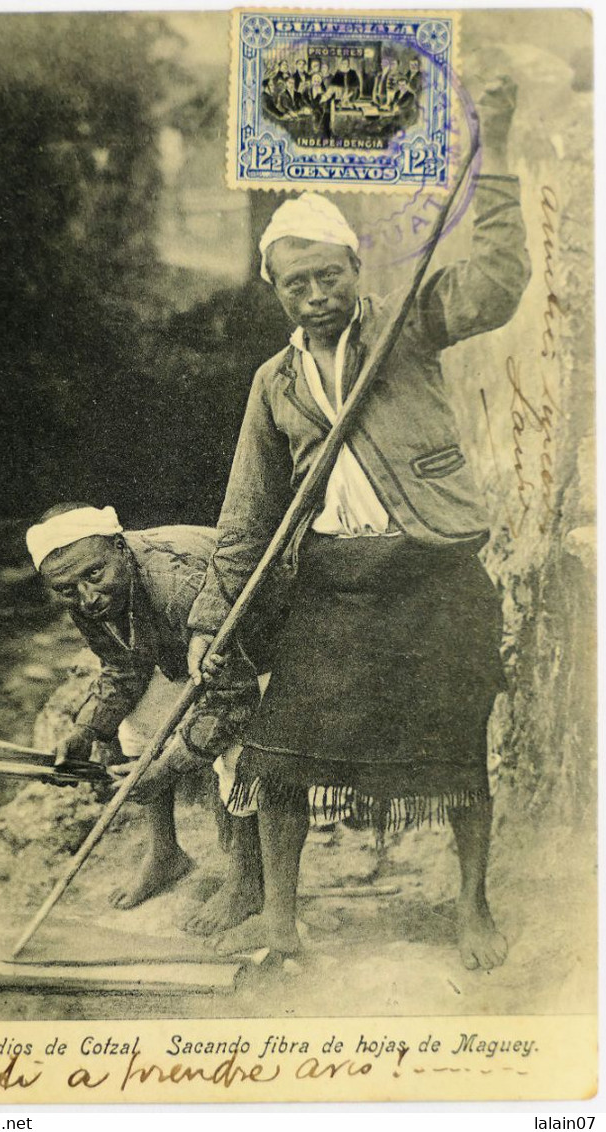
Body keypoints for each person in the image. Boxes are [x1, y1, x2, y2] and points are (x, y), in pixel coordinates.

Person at [187, 77, 530, 971]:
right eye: (295, 283)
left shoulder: (409, 324)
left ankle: (473, 910)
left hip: (431, 581)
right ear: (274, 291)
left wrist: (499, 149)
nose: (314, 295)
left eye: (328, 276)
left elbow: (495, 284)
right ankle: (281, 928)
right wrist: (208, 625)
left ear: (354, 271)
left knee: (456, 759)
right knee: (276, 755)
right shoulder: (274, 383)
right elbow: (247, 512)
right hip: (331, 593)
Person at [26, 502, 264, 928]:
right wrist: (85, 729)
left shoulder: (176, 583)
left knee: (236, 759)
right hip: (197, 653)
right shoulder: (88, 592)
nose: (87, 597)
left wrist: (169, 766)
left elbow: (234, 701)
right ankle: (165, 853)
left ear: (119, 547)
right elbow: (122, 666)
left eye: (94, 575)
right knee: (134, 730)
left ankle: (247, 880)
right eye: (67, 590)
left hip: (266, 645)